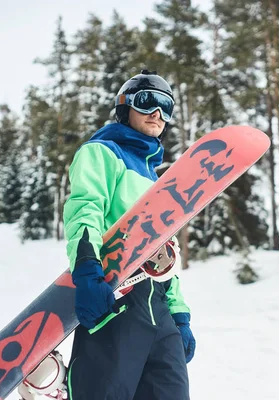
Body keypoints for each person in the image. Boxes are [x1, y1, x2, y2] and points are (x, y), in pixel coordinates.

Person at [63, 69, 195, 400]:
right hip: (116, 301)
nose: (157, 114)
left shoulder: (158, 179)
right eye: (147, 101)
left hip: (159, 311)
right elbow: (85, 211)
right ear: (125, 107)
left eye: (166, 107)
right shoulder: (101, 153)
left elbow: (166, 249)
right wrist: (87, 272)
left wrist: (179, 314)